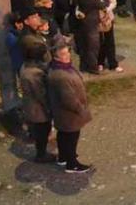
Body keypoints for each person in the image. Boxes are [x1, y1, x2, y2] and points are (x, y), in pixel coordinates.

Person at [47, 41, 93, 173]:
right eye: (64, 54)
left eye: (68, 52)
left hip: (63, 113)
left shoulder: (60, 68)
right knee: (72, 136)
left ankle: (63, 157)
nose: (67, 55)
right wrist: (81, 110)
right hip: (69, 114)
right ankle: (72, 164)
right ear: (56, 57)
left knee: (63, 134)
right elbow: (68, 99)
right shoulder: (61, 75)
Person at [19, 41, 55, 163]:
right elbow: (40, 94)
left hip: (31, 105)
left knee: (40, 130)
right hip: (37, 108)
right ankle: (41, 154)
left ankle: (41, 151)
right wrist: (49, 107)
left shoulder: (26, 67)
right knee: (42, 130)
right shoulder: (33, 74)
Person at [74, 0, 106, 74]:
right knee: (93, 45)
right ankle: (92, 67)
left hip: (85, 21)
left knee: (86, 45)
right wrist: (104, 4)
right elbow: (98, 4)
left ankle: (85, 66)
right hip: (91, 22)